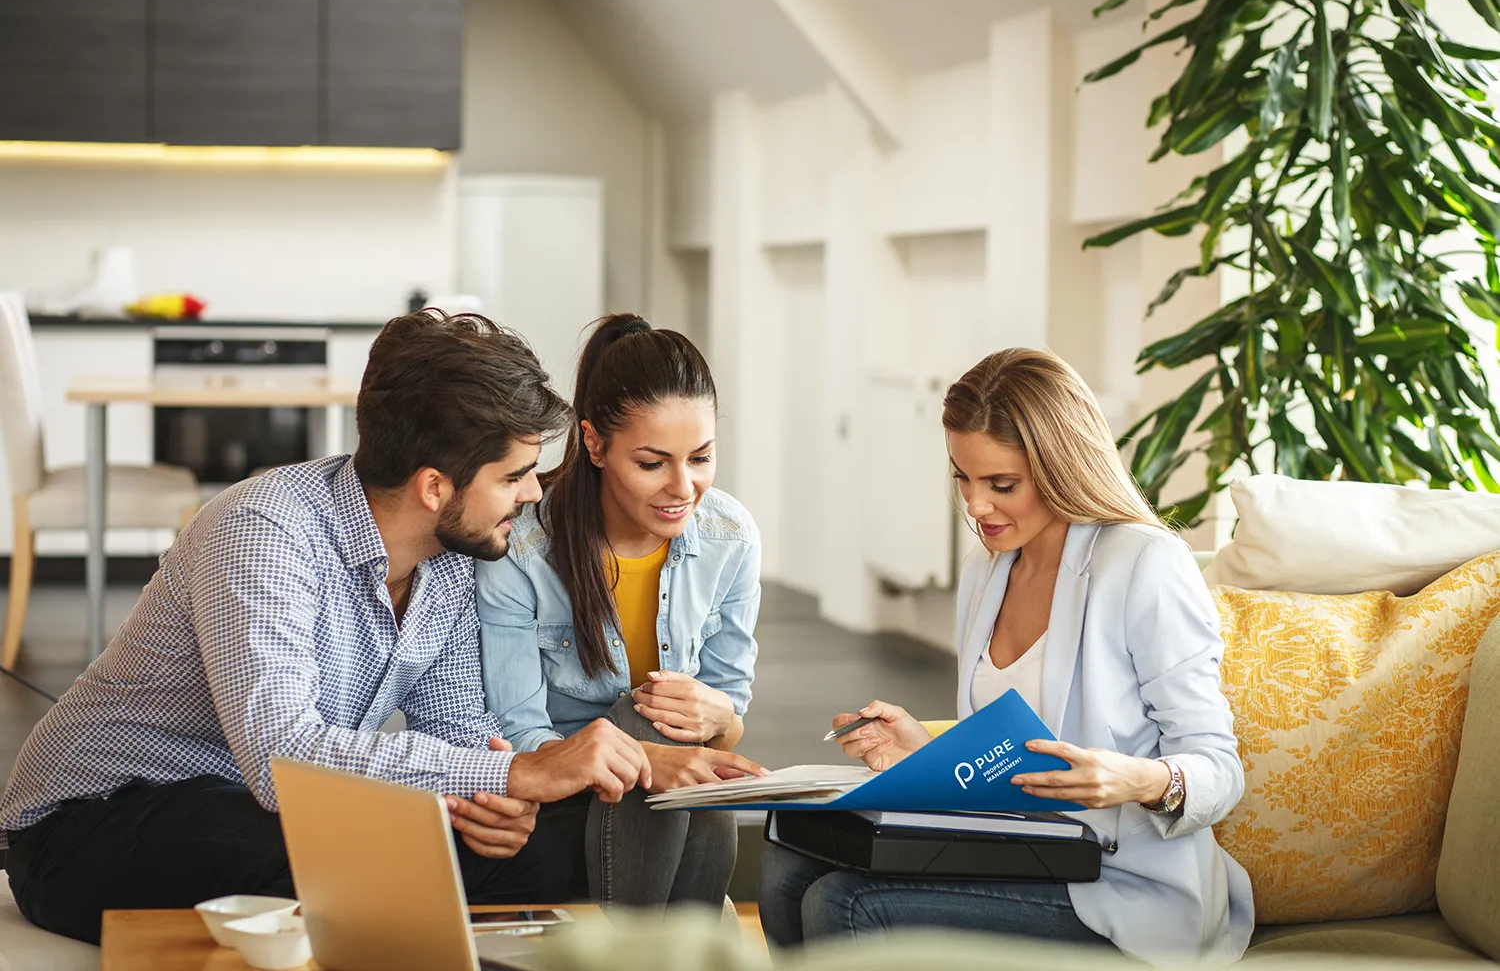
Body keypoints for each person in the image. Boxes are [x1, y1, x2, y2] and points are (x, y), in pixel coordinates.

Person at [0, 311, 655, 944]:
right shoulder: (263, 529)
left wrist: (493, 799)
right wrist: (515, 777)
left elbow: (455, 730)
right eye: (513, 476)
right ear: (434, 487)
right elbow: (280, 757)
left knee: (545, 855)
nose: (534, 494)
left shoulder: (455, 559)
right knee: (347, 856)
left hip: (257, 808)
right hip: (91, 821)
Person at [759, 348, 1253, 964]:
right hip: (1020, 854)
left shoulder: (1144, 564)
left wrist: (1136, 779)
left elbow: (1220, 770)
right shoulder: (988, 571)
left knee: (845, 902)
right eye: (962, 477)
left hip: (1122, 887)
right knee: (786, 865)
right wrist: (924, 749)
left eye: (1002, 485)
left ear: (1062, 467)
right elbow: (1009, 751)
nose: (974, 505)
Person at [476, 314, 764, 909]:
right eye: (653, 463)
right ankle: (676, 944)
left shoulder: (730, 536)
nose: (684, 487)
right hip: (563, 794)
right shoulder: (523, 548)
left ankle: (657, 950)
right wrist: (645, 758)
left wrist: (716, 716)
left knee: (683, 749)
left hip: (671, 797)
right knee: (639, 720)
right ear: (594, 443)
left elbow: (728, 718)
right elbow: (518, 732)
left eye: (701, 457)